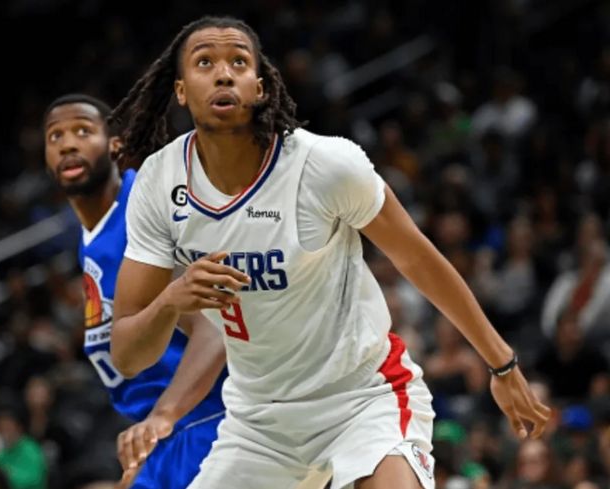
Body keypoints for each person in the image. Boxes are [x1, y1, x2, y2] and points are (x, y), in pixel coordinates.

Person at [110, 16, 551, 489]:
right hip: (259, 424)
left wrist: (502, 364)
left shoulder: (323, 165)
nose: (223, 74)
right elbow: (128, 355)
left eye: (238, 62)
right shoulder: (160, 182)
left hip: (362, 398)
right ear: (180, 91)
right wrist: (172, 300)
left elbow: (417, 258)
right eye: (204, 63)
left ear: (259, 86)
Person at [43, 94, 227, 487]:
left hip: (210, 423)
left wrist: (162, 417)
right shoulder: (93, 239)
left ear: (115, 144)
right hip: (171, 439)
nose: (68, 144)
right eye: (55, 136)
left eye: (82, 131)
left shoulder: (143, 211)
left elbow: (216, 328)